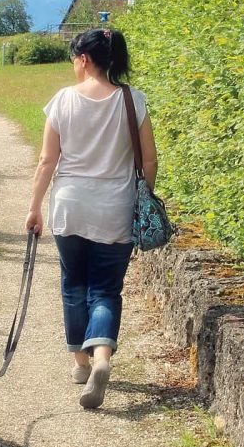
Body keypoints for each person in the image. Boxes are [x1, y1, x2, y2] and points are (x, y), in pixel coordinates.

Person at [25, 28, 157, 409]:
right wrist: (140, 197)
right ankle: (102, 357)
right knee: (105, 289)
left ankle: (81, 364)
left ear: (84, 59)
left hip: (70, 205)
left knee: (74, 284)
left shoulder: (63, 100)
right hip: (115, 208)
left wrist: (34, 206)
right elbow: (149, 160)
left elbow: (47, 160)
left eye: (73, 58)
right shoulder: (134, 100)